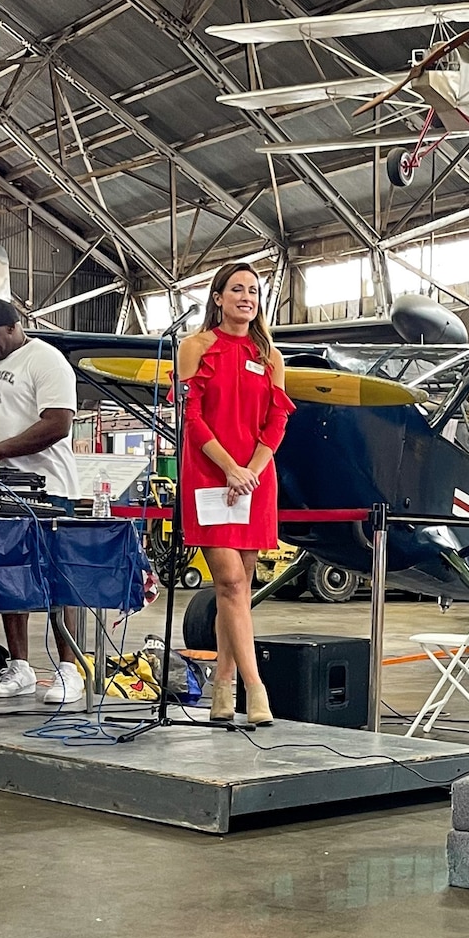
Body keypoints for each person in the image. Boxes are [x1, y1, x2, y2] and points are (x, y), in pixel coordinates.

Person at [180, 262, 293, 725]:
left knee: (240, 589)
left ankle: (222, 687)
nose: (246, 296)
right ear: (218, 298)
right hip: (210, 474)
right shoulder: (196, 347)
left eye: (253, 290)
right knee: (228, 582)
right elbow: (193, 417)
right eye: (237, 289)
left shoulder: (270, 356)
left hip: (255, 477)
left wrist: (251, 469)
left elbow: (277, 420)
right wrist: (229, 468)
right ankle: (255, 689)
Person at [0, 297, 85, 703]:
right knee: (8, 577)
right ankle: (21, 667)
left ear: (12, 327)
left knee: (57, 580)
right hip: (2, 491)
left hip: (49, 489)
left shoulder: (44, 360)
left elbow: (57, 424)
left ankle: (70, 669)